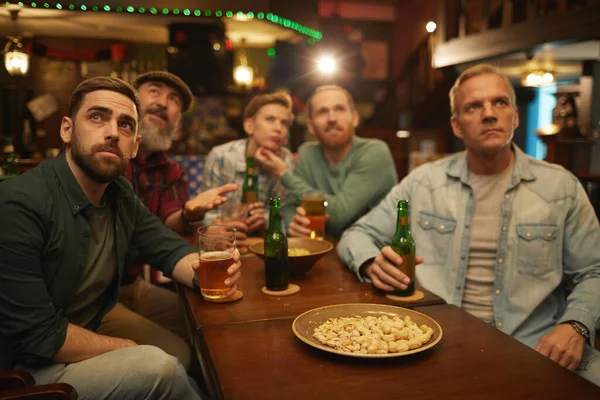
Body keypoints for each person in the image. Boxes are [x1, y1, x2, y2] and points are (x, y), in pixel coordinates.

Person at [337, 64, 600, 385]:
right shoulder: (423, 183)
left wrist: (575, 326)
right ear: (456, 125)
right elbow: (357, 234)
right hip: (434, 340)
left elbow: (594, 271)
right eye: (473, 107)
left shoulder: (561, 187)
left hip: (536, 344)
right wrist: (369, 262)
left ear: (515, 117)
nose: (489, 114)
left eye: (500, 103)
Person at [0, 76, 241, 399]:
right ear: (67, 130)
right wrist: (125, 348)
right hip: (26, 369)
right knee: (160, 366)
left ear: (135, 145)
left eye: (126, 125)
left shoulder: (119, 193)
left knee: (189, 348)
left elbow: (166, 248)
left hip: (89, 322)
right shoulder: (17, 203)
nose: (113, 132)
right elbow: (39, 336)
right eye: (97, 117)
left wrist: (205, 269)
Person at [99, 71, 237, 372]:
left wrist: (189, 213)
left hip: (132, 285)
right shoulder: (104, 155)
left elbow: (161, 229)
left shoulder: (169, 169)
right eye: (154, 91)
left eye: (173, 100)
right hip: (94, 295)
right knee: (182, 354)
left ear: (179, 120)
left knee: (214, 327)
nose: (163, 103)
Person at [255, 85, 397, 237]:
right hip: (323, 249)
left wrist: (284, 174)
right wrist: (293, 223)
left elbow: (339, 215)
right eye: (322, 112)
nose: (332, 118)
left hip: (375, 251)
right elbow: (290, 204)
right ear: (310, 126)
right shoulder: (307, 153)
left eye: (340, 109)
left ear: (354, 119)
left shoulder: (375, 152)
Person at [202, 91, 295, 228]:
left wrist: (264, 219)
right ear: (249, 126)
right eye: (270, 119)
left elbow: (287, 212)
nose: (278, 128)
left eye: (284, 123)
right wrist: (223, 224)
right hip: (225, 239)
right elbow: (204, 212)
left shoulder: (285, 159)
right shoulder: (220, 155)